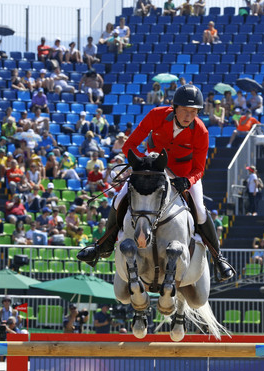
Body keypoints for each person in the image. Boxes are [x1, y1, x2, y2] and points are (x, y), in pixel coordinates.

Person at [76, 84, 235, 281]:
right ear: (174, 107)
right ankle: (101, 246)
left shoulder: (200, 131)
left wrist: (187, 181)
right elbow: (129, 146)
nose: (189, 115)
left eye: (194, 112)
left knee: (201, 211)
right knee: (119, 200)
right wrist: (144, 163)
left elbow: (199, 168)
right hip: (151, 170)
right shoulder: (156, 115)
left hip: (182, 176)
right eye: (185, 110)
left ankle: (218, 258)